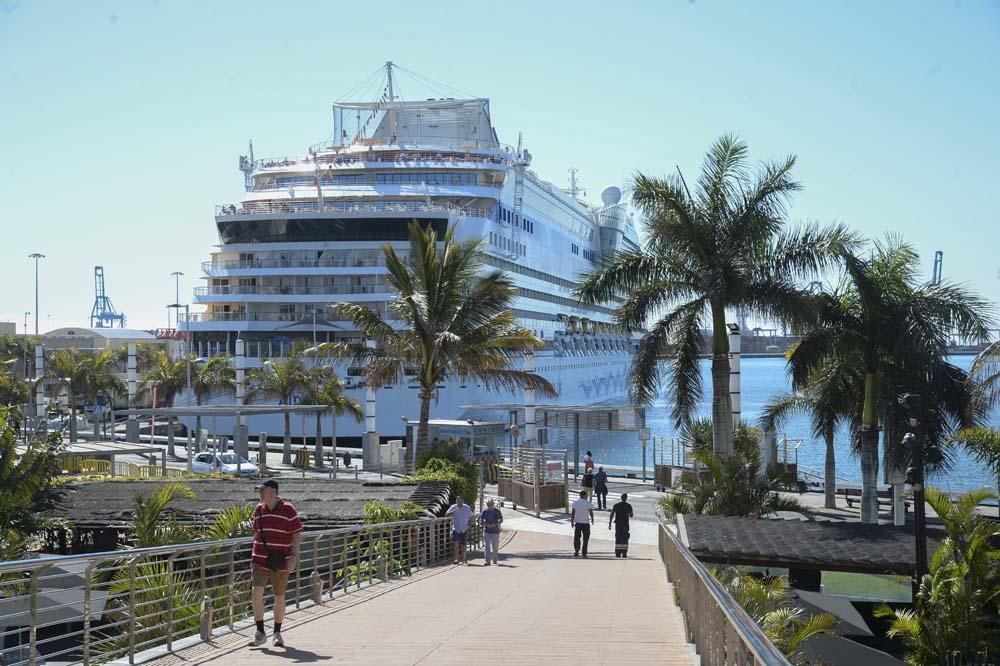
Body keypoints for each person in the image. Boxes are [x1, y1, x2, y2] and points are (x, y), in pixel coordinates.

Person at [251, 479, 303, 647]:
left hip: (281, 560)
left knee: (279, 597)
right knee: (256, 593)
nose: (260, 493)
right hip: (260, 559)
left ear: (273, 492)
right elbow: (256, 533)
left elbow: (296, 534)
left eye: (262, 490)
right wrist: (253, 556)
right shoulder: (259, 509)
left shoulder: (288, 510)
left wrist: (294, 556)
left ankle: (277, 633)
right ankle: (260, 632)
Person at [445, 496, 474, 564]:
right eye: (458, 501)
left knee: (464, 544)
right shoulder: (453, 507)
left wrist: (470, 524)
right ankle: (456, 559)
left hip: (464, 528)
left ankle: (464, 558)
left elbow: (471, 516)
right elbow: (446, 515)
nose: (459, 502)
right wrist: (453, 511)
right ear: (456, 501)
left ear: (463, 501)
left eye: (461, 501)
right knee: (456, 544)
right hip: (456, 528)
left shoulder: (467, 507)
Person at [609, 493, 634, 558]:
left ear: (621, 497)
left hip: (618, 524)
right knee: (625, 538)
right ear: (626, 498)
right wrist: (629, 513)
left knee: (618, 538)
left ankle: (618, 553)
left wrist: (610, 523)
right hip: (625, 524)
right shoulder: (628, 505)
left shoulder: (616, 505)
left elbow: (612, 514)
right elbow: (631, 515)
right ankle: (624, 553)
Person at [570, 490, 594, 557]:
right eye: (586, 495)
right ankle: (584, 552)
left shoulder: (575, 503)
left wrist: (572, 521)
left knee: (577, 537)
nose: (587, 496)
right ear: (584, 495)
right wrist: (592, 519)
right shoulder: (588, 503)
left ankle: (577, 550)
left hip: (578, 523)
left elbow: (573, 513)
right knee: (586, 538)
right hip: (586, 523)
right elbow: (590, 512)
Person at [480, 498, 503, 565]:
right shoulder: (485, 511)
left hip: (495, 531)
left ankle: (495, 559)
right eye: (488, 504)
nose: (489, 505)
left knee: (495, 546)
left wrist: (495, 524)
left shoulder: (497, 511)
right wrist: (486, 524)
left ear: (493, 504)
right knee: (487, 546)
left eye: (491, 504)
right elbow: (481, 520)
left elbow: (501, 520)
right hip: (487, 531)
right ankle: (487, 560)